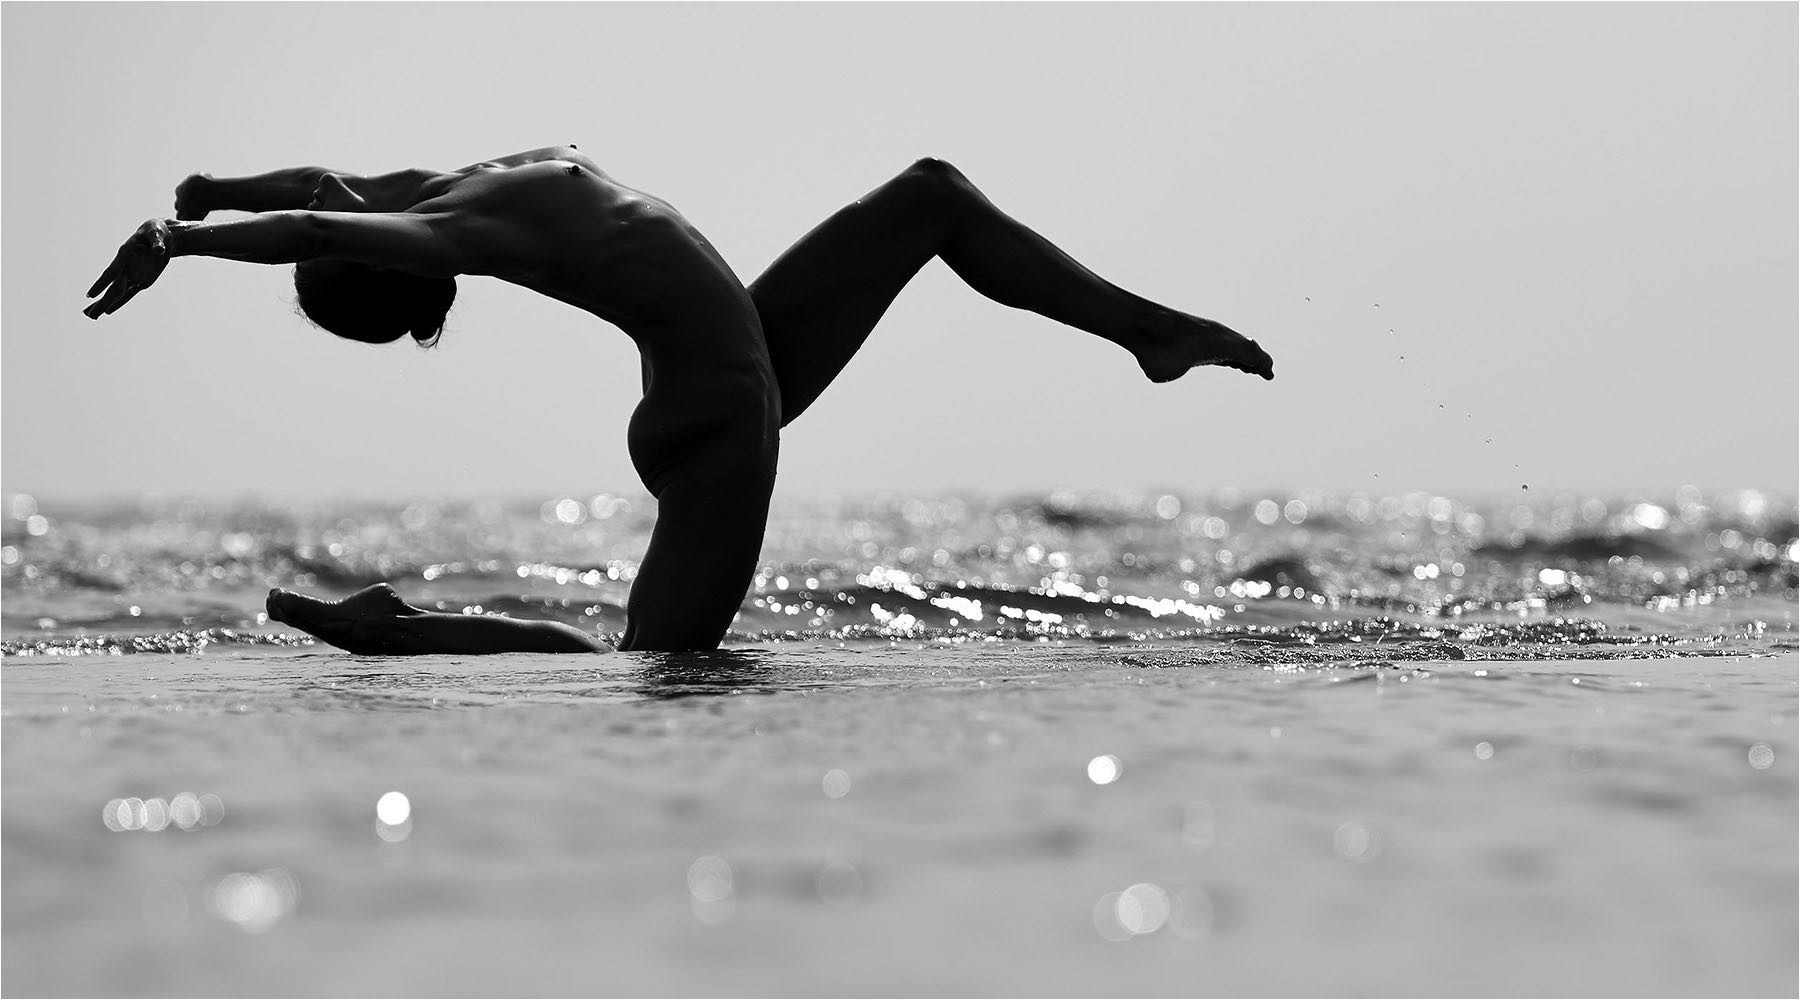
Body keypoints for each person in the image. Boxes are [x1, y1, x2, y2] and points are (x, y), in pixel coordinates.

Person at [85, 147, 1275, 654]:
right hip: (716, 413)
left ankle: (1149, 335)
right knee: (651, 666)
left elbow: (303, 191)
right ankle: (396, 632)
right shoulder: (453, 221)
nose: (340, 197)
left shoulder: (437, 186)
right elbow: (308, 219)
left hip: (732, 360)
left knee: (930, 195)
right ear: (383, 255)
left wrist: (210, 182)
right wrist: (177, 237)